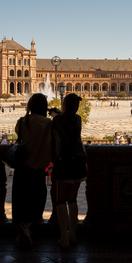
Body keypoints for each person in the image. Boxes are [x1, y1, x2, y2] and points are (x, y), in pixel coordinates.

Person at [12, 93, 52, 249]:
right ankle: (26, 228)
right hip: (38, 168)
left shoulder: (22, 122)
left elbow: (18, 135)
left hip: (22, 167)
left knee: (20, 200)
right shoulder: (48, 123)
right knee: (37, 201)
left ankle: (22, 230)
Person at [51, 93, 87, 248]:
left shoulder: (57, 120)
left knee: (60, 200)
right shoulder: (78, 119)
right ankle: (72, 235)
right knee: (72, 199)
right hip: (78, 162)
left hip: (63, 162)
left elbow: (55, 140)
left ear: (64, 104)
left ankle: (63, 238)